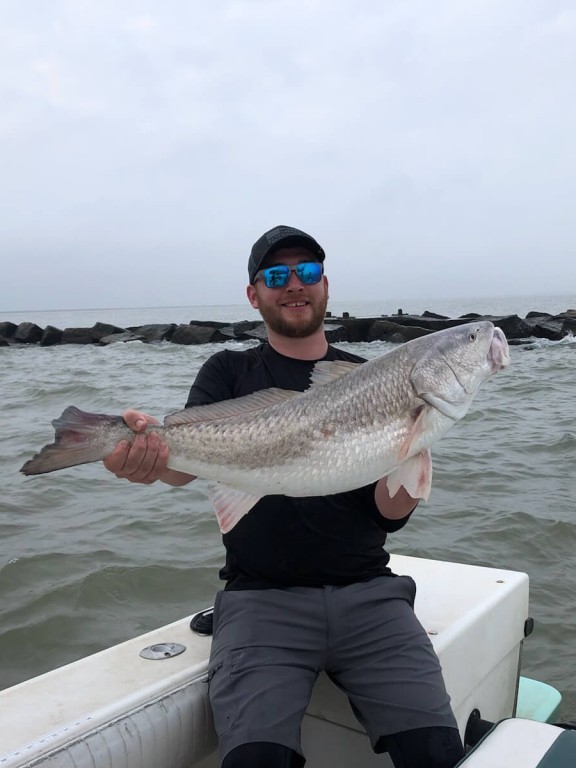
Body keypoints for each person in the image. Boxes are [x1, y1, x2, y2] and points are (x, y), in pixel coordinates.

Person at [103, 225, 465, 768]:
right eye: (277, 275)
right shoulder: (228, 370)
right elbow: (183, 468)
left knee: (438, 752)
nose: (295, 284)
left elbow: (387, 516)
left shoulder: (371, 379)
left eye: (308, 272)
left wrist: (412, 452)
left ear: (326, 286)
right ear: (255, 295)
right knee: (255, 761)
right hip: (260, 602)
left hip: (369, 597)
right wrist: (146, 460)